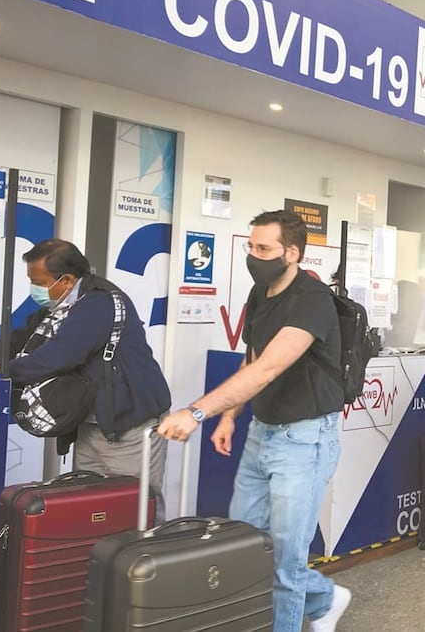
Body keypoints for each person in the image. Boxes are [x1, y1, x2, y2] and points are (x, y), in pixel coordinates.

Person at [157, 210, 349, 632]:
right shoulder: (260, 294)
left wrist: (196, 413)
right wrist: (230, 415)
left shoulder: (312, 301)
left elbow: (268, 369)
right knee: (245, 542)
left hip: (304, 441)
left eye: (263, 249)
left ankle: (305, 609)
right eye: (251, 247)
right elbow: (254, 356)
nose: (253, 256)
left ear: (292, 252)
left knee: (285, 557)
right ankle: (325, 597)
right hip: (262, 433)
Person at [6, 239, 171, 517]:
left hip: (130, 423)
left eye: (39, 282)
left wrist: (2, 372)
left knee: (135, 510)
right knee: (92, 509)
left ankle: (146, 559)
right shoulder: (59, 309)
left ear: (67, 279)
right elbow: (23, 341)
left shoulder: (99, 303)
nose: (35, 289)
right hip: (93, 424)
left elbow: (58, 356)